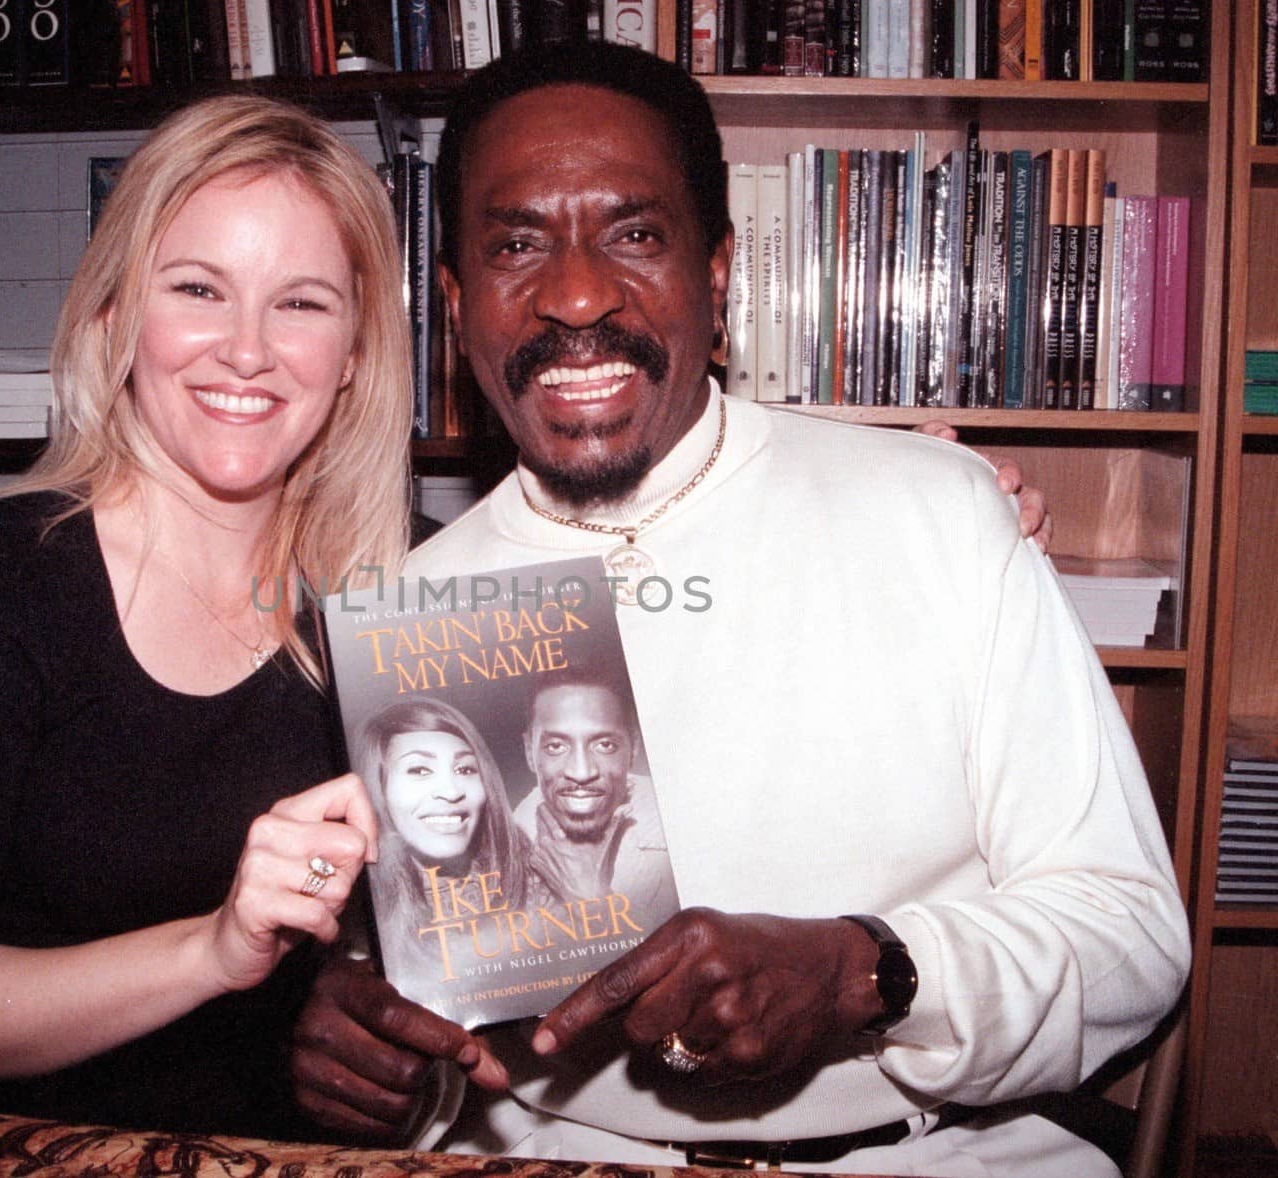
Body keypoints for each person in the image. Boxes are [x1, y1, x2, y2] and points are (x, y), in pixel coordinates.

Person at [289, 41, 1189, 1177]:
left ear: (716, 275)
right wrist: (379, 1060)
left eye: (634, 233)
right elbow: (441, 1020)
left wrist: (870, 970)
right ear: (457, 302)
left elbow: (1131, 940)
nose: (575, 294)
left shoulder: (937, 512)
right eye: (517, 243)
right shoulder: (417, 609)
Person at [0, 94, 414, 1139]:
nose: (247, 349)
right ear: (114, 316)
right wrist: (214, 950)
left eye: (302, 303)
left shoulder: (376, 605)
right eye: (197, 288)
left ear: (356, 349)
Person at [356, 697, 536, 971]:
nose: (451, 791)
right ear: (378, 786)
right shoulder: (356, 911)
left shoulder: (535, 882)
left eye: (464, 769)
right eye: (419, 770)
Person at [512, 675, 676, 915]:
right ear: (529, 752)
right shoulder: (505, 854)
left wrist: (587, 900)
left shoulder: (678, 820)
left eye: (605, 745)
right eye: (556, 746)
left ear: (634, 749)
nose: (581, 772)